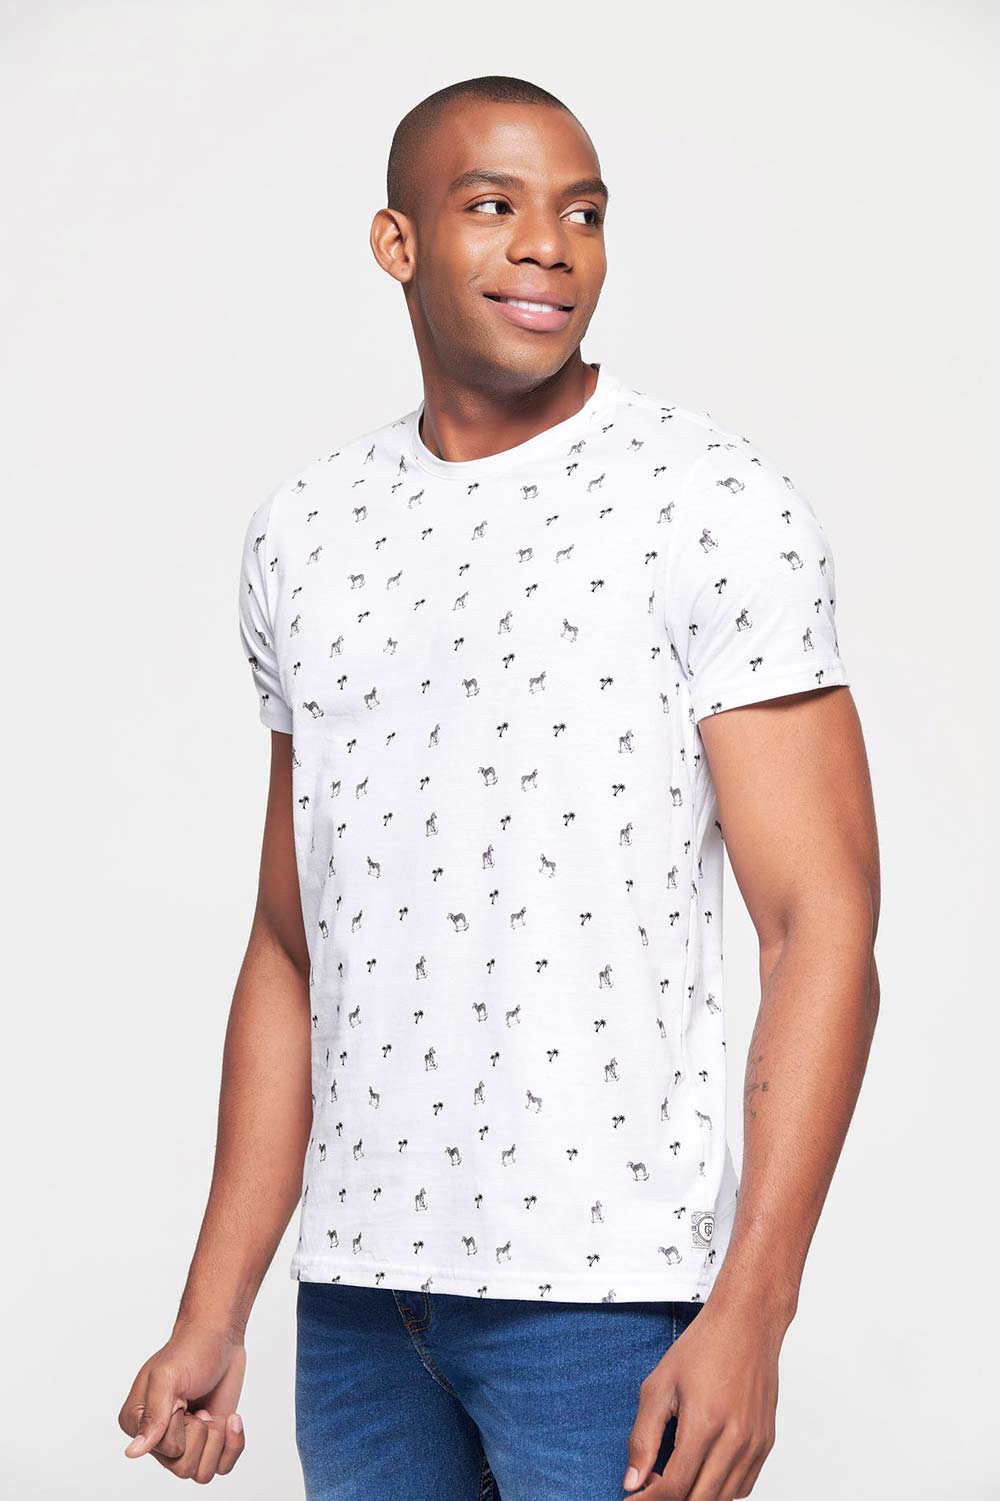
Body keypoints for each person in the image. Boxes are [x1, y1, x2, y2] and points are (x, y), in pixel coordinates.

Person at [118, 75, 880, 1501]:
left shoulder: (712, 504)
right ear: (396, 243)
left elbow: (820, 923)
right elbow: (291, 943)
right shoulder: (306, 532)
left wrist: (753, 1310)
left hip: (604, 1303)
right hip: (357, 1307)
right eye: (494, 205)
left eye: (583, 213)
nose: (548, 244)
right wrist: (215, 1308)